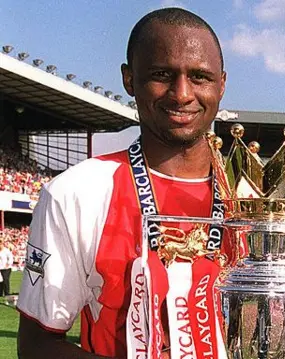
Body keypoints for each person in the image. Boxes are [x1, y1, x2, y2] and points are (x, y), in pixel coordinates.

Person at [17, 7, 226, 358]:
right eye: (162, 74)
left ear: (222, 83)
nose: (182, 94)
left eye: (200, 77)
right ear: (129, 80)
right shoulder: (75, 194)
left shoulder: (258, 200)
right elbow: (37, 344)